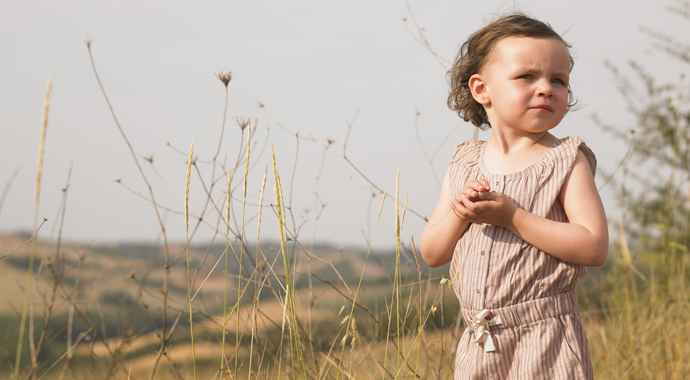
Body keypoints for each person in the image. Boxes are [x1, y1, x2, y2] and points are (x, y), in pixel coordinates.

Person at [419, 13, 608, 380]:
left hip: (546, 340)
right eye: (527, 76)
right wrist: (460, 213)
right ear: (481, 90)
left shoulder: (566, 159)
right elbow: (432, 253)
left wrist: (513, 217)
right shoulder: (465, 161)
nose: (546, 88)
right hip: (480, 339)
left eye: (558, 80)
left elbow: (593, 246)